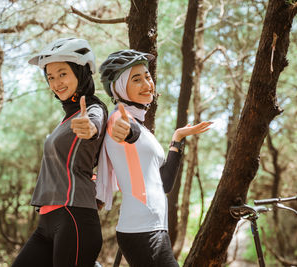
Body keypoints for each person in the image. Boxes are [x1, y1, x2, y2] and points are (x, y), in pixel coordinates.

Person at [96, 50, 212, 267]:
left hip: (154, 227)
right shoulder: (119, 120)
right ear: (119, 88)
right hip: (142, 230)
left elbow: (165, 183)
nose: (147, 83)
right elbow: (126, 131)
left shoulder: (143, 128)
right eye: (136, 79)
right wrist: (126, 131)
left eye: (147, 76)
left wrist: (178, 137)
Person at [12, 37, 108, 267]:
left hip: (74, 218)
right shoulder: (65, 120)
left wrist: (90, 129)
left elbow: (93, 125)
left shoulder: (93, 109)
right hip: (47, 221)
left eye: (63, 73)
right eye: (50, 77)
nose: (56, 82)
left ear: (81, 72)